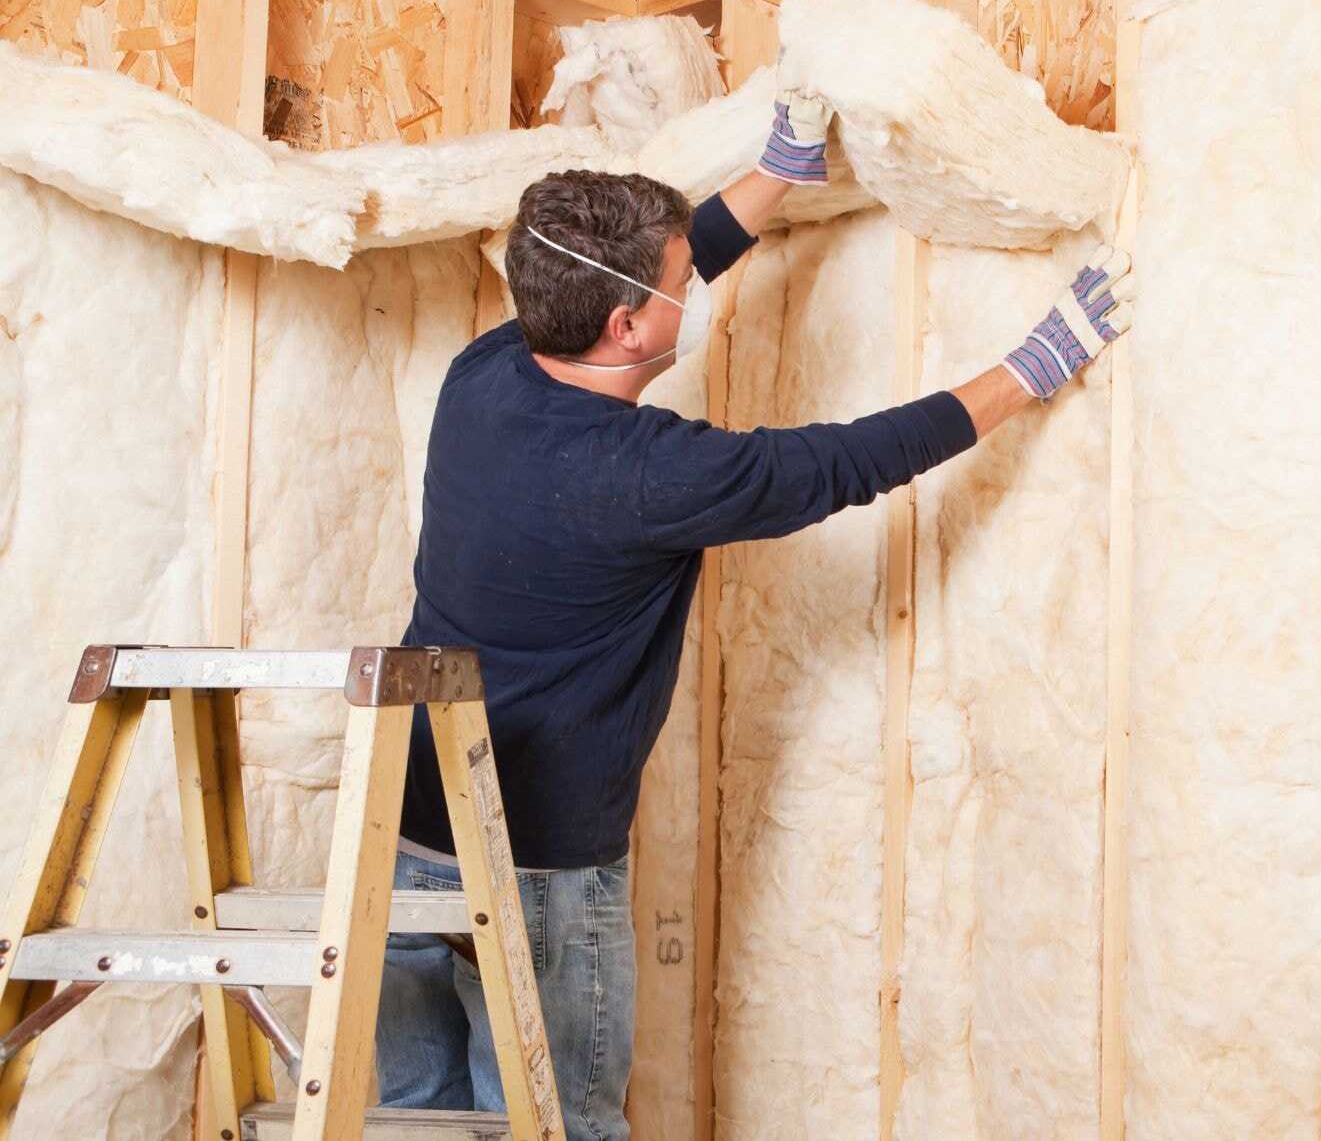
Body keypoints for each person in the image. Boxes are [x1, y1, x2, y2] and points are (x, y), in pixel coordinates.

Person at [374, 90, 1133, 1137]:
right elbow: (849, 461)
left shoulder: (485, 372)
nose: (693, 296)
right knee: (557, 1128)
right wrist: (1031, 368)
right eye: (681, 286)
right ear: (627, 324)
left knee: (402, 1121)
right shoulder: (651, 476)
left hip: (402, 833)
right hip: (534, 875)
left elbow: (631, 285)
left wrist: (776, 173)